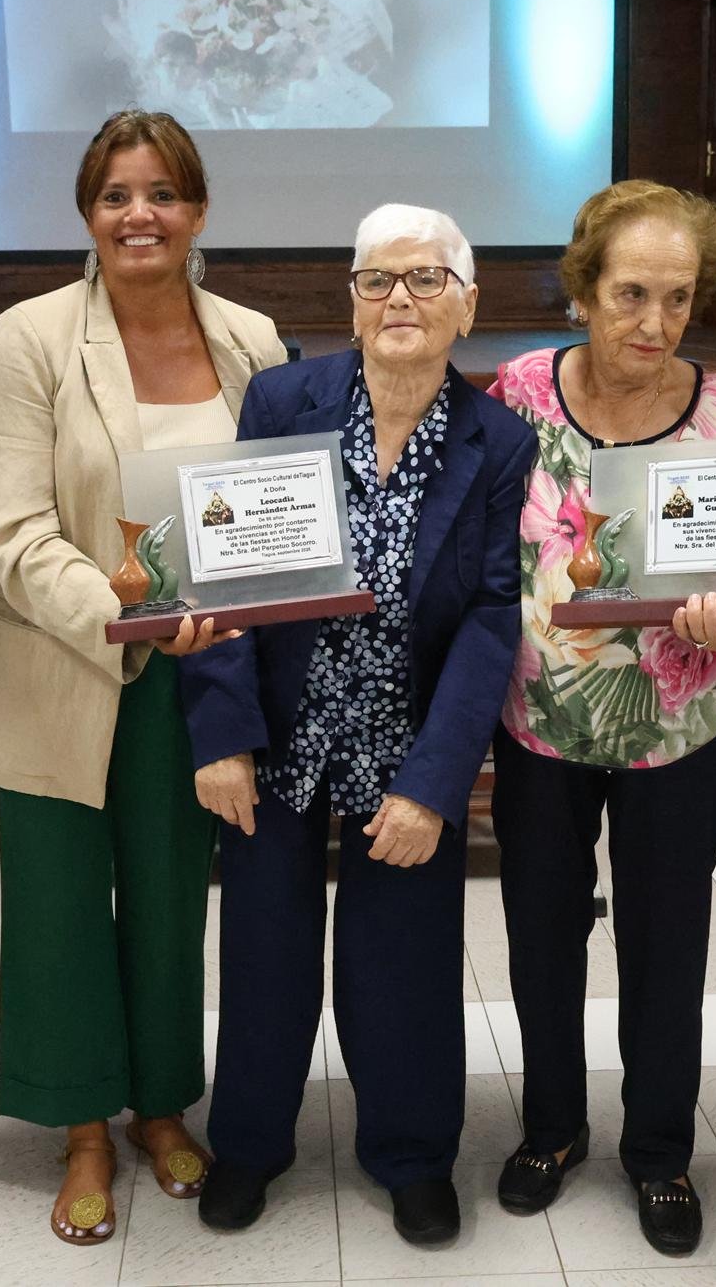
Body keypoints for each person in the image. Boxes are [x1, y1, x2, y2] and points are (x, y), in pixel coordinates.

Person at [0, 111, 287, 1247]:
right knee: (57, 910)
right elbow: (19, 528)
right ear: (87, 213)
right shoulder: (34, 335)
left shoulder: (253, 341)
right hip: (65, 660)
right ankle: (82, 1126)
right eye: (115, 195)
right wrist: (136, 616)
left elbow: (280, 512)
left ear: (199, 210)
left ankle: (158, 1107)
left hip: (204, 682)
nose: (139, 214)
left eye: (162, 193)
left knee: (168, 898)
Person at [182, 204, 537, 1246]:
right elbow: (227, 570)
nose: (399, 300)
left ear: (467, 306)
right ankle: (247, 1142)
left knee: (407, 960)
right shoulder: (282, 399)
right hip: (280, 734)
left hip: (403, 741)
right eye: (377, 280)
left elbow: (488, 617)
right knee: (262, 951)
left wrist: (437, 781)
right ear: (349, 299)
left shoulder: (498, 438)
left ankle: (413, 1150)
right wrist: (221, 732)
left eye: (426, 280)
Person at [484, 180, 716, 1255]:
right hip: (540, 722)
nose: (655, 323)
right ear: (584, 291)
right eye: (632, 293)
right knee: (541, 932)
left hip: (677, 724)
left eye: (679, 297)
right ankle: (551, 1128)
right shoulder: (517, 393)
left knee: (667, 939)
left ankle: (660, 1149)